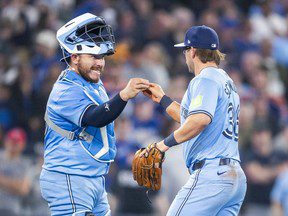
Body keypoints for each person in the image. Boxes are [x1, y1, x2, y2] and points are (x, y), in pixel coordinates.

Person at [39, 13, 150, 216]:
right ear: (74, 57)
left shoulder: (91, 82)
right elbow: (95, 117)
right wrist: (124, 95)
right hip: (69, 176)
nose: (100, 63)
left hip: (92, 178)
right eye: (94, 57)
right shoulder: (65, 89)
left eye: (101, 57)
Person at [142, 25, 247, 215]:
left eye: (185, 49)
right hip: (233, 176)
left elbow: (199, 120)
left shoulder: (204, 79)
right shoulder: (226, 81)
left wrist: (162, 145)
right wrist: (164, 100)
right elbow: (191, 119)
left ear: (192, 51)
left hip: (212, 175)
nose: (184, 54)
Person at [0, 128, 31, 216]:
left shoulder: (26, 163)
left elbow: (23, 189)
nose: (13, 144)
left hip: (12, 209)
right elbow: (19, 186)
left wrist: (2, 180)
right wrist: (15, 184)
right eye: (11, 140)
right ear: (6, 141)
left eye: (17, 141)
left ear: (23, 144)